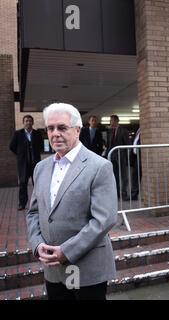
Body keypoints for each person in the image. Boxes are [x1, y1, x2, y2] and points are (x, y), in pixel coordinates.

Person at [26, 103, 117, 300]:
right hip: (53, 271)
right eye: (50, 128)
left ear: (77, 130)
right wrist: (37, 244)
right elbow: (34, 212)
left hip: (87, 270)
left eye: (62, 127)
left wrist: (66, 251)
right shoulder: (40, 168)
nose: (55, 133)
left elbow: (104, 219)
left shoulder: (99, 166)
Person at [9, 115, 44, 211]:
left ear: (32, 122)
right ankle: (22, 204)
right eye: (26, 121)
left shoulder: (37, 133)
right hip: (23, 164)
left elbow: (41, 146)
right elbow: (12, 146)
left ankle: (39, 203)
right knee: (23, 184)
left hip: (35, 163)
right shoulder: (18, 133)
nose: (28, 122)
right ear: (23, 123)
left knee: (37, 183)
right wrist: (20, 154)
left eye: (30, 121)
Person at [106, 115, 131, 198]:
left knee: (124, 174)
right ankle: (116, 192)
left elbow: (127, 144)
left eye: (111, 120)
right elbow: (109, 144)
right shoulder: (110, 131)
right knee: (115, 175)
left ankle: (124, 191)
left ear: (116, 121)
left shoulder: (124, 131)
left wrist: (126, 155)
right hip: (112, 156)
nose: (110, 122)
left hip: (121, 156)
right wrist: (107, 155)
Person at [126, 127, 141, 201]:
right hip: (136, 156)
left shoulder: (144, 129)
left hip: (141, 156)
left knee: (136, 175)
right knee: (134, 176)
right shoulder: (138, 129)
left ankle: (134, 194)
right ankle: (133, 194)